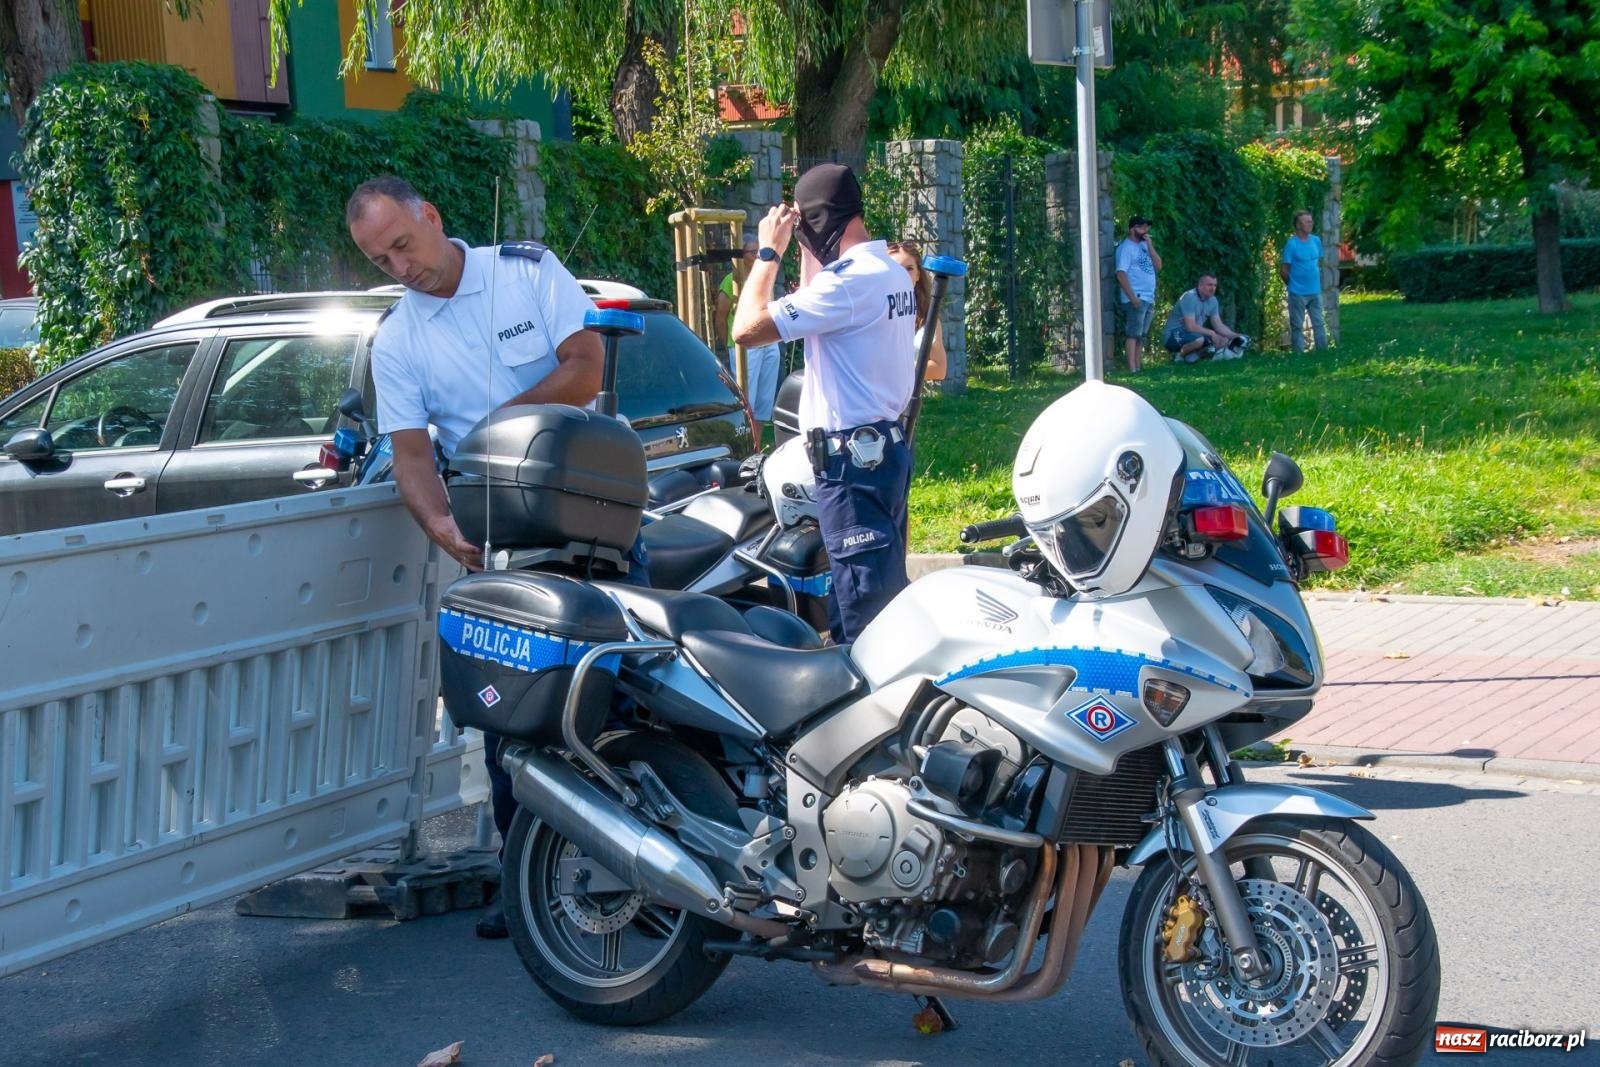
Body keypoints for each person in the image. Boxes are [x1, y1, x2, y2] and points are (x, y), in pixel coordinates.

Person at [346, 175, 605, 940]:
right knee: (510, 716)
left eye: (402, 243)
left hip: (592, 514)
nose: (399, 265)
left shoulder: (524, 271)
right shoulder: (396, 339)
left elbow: (584, 367)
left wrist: (496, 425)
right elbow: (412, 454)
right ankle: (523, 883)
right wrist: (442, 528)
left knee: (610, 699)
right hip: (503, 535)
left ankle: (635, 865)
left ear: (432, 214)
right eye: (379, 258)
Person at [731, 163, 917, 643]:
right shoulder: (889, 273)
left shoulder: (849, 286)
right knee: (883, 601)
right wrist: (812, 244)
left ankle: (879, 713)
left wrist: (770, 251)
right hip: (883, 453)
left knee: (864, 621)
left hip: (851, 469)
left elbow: (745, 329)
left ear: (818, 221)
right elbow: (820, 291)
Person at [713, 233, 783, 443]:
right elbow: (720, 318)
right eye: (754, 252)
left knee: (763, 404)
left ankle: (758, 448)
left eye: (759, 252)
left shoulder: (763, 278)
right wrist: (731, 347)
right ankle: (745, 447)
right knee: (747, 402)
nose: (758, 256)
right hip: (747, 348)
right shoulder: (731, 281)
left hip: (769, 345)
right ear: (741, 255)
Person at [886, 240, 947, 384]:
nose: (904, 275)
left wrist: (896, 370)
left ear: (918, 274)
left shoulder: (927, 319)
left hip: (906, 401)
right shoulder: (872, 311)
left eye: (909, 268)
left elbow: (939, 369)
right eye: (896, 268)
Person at [1114, 215, 1161, 373]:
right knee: (1133, 334)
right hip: (1136, 297)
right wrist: (1132, 297)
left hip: (1148, 297)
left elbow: (1158, 265)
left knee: (1141, 335)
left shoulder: (1145, 246)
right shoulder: (1125, 248)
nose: (1145, 231)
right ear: (1132, 229)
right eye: (1141, 227)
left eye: (1147, 227)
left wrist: (1150, 246)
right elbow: (1121, 273)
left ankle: (1139, 367)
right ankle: (1132, 368)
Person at [1162, 273, 1243, 364]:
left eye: (1215, 285)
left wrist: (1237, 336)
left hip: (1194, 335)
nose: (1213, 288)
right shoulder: (1189, 297)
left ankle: (1191, 357)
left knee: (1223, 340)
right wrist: (1212, 333)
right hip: (1172, 335)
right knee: (1200, 340)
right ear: (1200, 285)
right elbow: (1190, 327)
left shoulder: (1213, 301)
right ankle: (1179, 357)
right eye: (1209, 285)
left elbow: (1219, 325)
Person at [1280, 209, 1328, 352]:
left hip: (1315, 290)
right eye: (1306, 222)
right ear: (1298, 225)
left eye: (1310, 221)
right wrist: (1292, 284)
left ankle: (1323, 352)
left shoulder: (1316, 241)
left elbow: (1317, 263)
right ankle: (1298, 355)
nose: (1310, 224)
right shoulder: (1292, 244)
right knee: (1297, 326)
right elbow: (1284, 270)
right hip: (1297, 292)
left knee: (1319, 323)